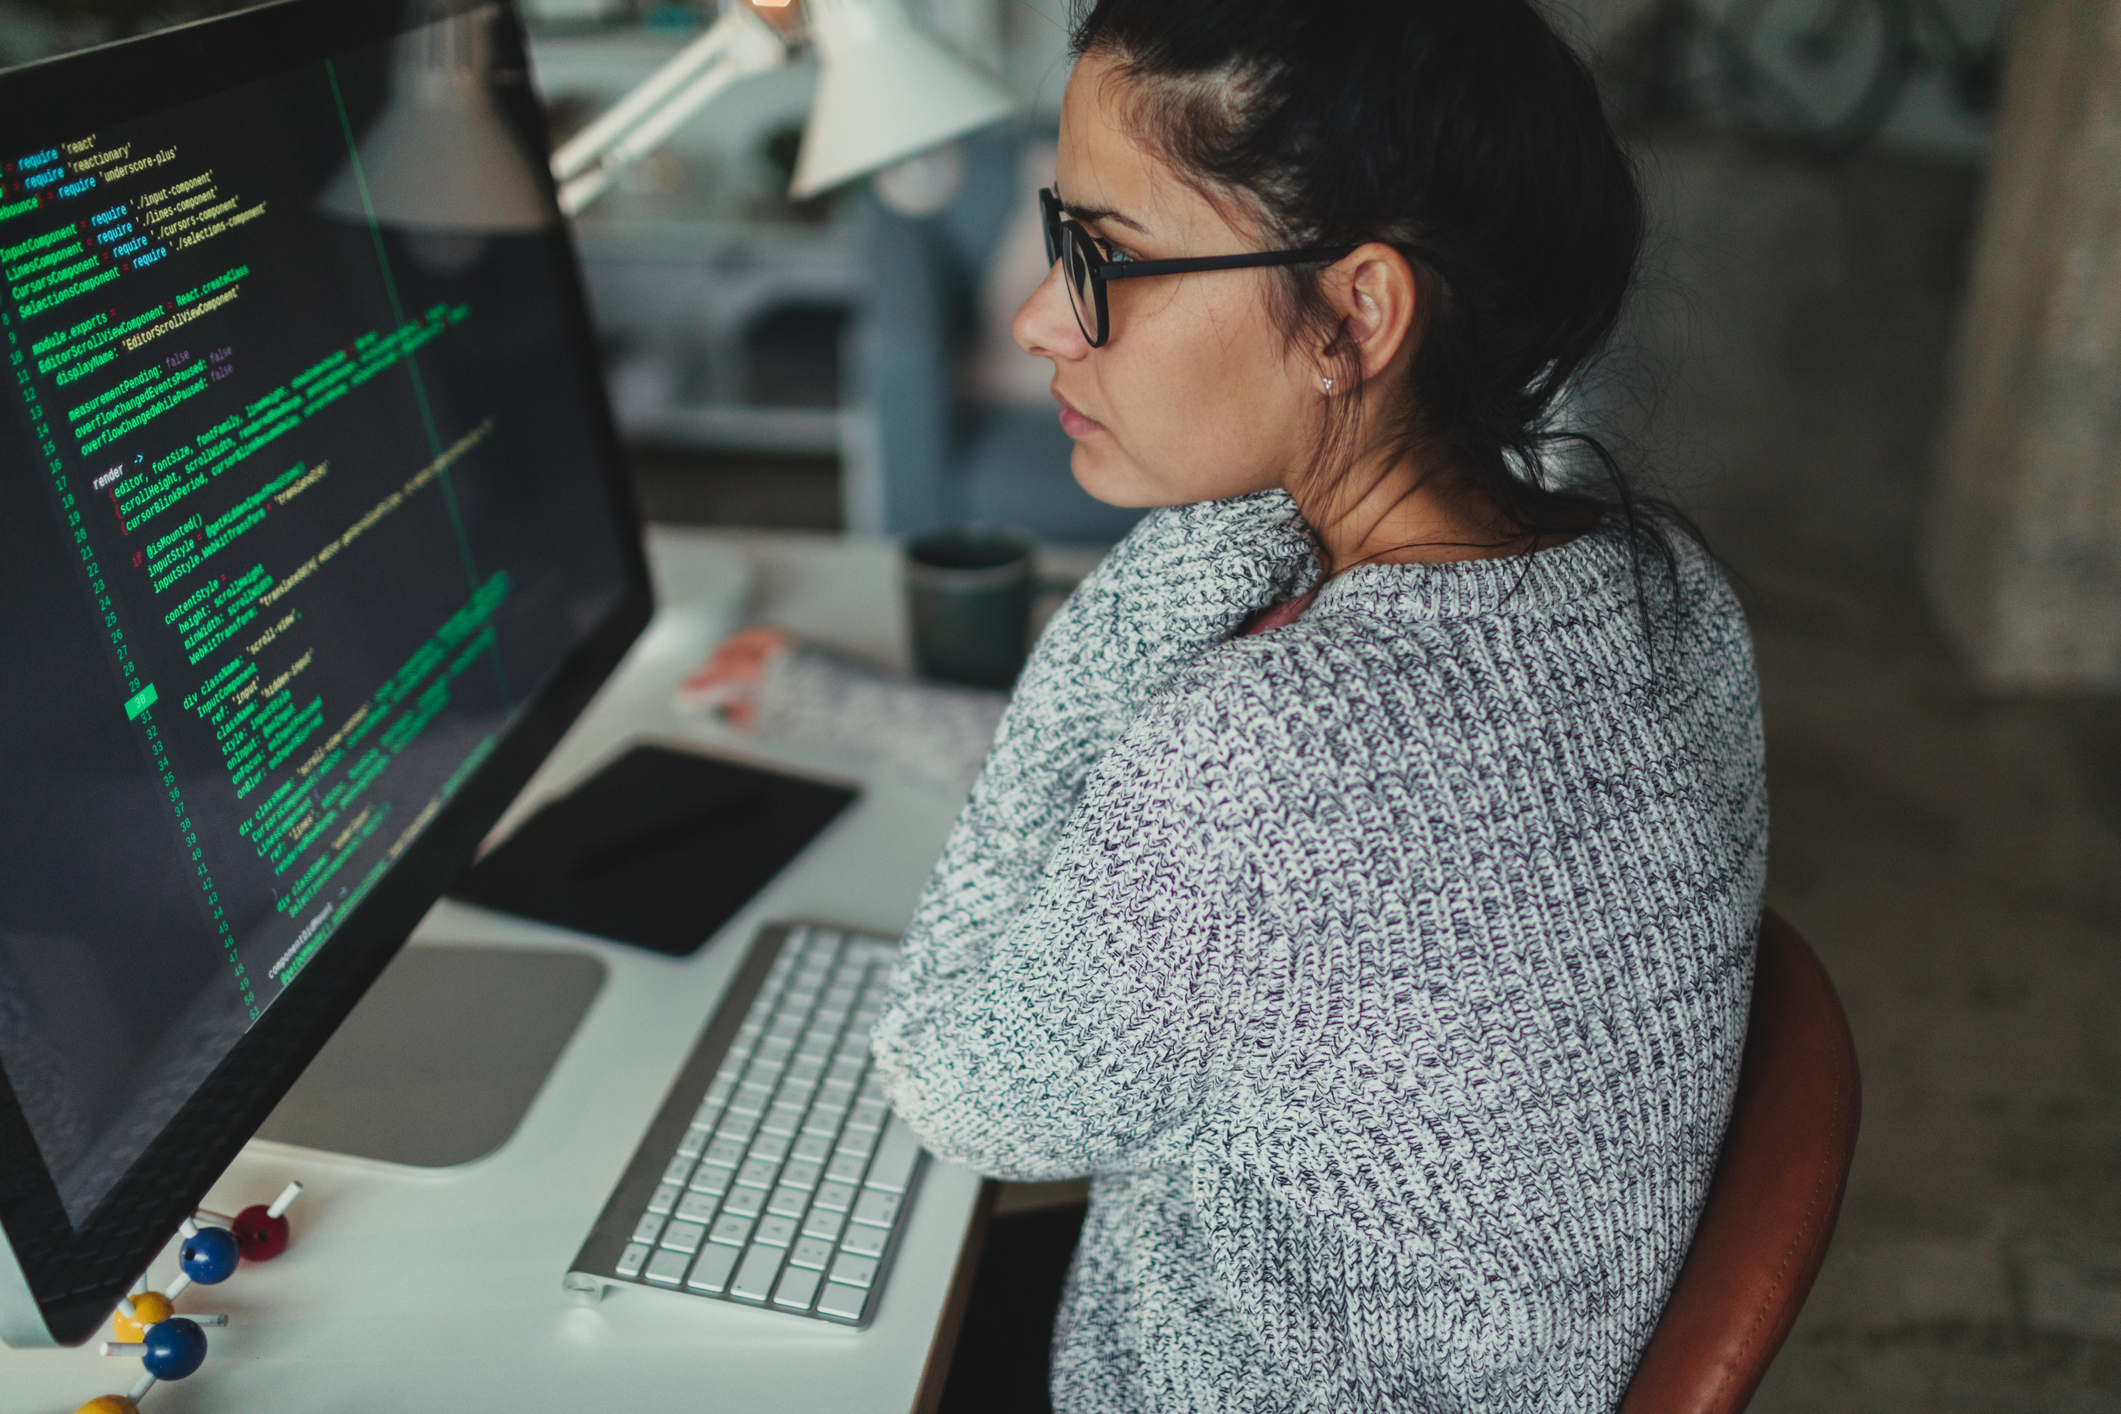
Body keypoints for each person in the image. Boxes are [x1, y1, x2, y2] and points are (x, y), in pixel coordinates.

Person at [688, 0, 1767, 1408]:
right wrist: (831, 703)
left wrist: (1178, 543)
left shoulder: (1274, 731)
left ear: (1356, 312)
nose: (1032, 317)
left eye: (1104, 256)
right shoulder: (1660, 584)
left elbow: (955, 1082)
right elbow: (1185, 841)